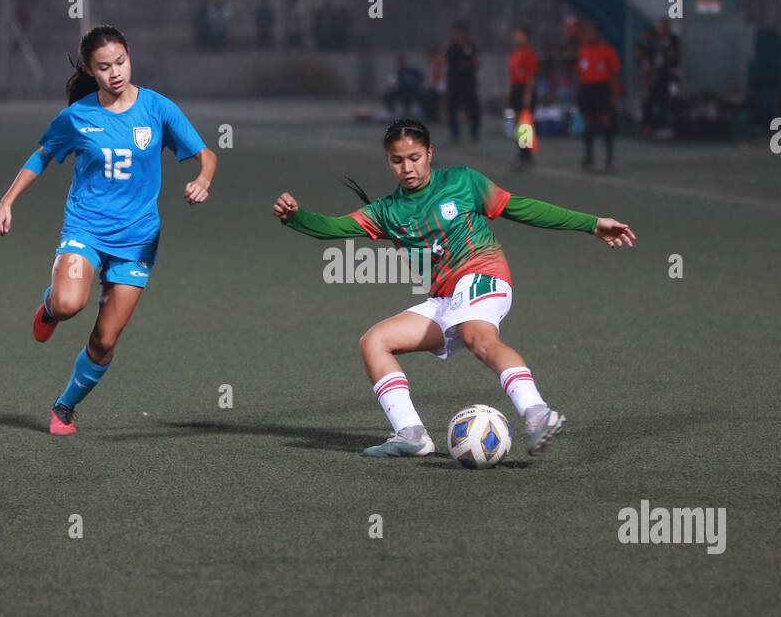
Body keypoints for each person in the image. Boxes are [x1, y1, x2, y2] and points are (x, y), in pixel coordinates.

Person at [272, 118, 636, 458]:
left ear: (430, 153)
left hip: (484, 277)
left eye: (414, 157)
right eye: (397, 161)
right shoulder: (387, 211)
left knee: (478, 336)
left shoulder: (463, 181)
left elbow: (521, 207)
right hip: (447, 298)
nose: (407, 168)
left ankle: (537, 412)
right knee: (375, 342)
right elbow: (333, 228)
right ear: (388, 162)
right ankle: (411, 435)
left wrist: (591, 224)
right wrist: (296, 218)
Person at [0, 25, 218, 434]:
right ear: (90, 71)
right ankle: (50, 306)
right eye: (104, 67)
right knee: (68, 304)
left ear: (130, 55)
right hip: (87, 229)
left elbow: (206, 155)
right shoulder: (78, 117)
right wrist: (7, 202)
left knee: (104, 341)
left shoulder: (157, 108)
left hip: (138, 240)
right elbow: (41, 157)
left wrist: (203, 179)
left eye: (121, 62)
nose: (115, 72)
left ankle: (63, 408)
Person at [576, 21, 620, 169]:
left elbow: (613, 74)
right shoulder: (583, 50)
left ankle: (609, 158)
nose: (590, 36)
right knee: (588, 122)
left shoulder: (607, 50)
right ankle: (588, 157)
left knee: (605, 121)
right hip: (587, 89)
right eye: (588, 33)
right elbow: (580, 72)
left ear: (598, 34)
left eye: (593, 33)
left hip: (602, 89)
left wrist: (613, 95)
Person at [444, 21, 481, 143]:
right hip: (454, 83)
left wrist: (468, 64)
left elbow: (477, 62)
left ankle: (474, 133)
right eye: (457, 32)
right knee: (451, 109)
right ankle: (455, 134)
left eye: (462, 32)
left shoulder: (470, 46)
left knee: (473, 109)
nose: (459, 35)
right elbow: (443, 59)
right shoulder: (451, 46)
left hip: (468, 83)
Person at [507, 25, 539, 166]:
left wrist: (527, 94)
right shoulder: (514, 53)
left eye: (520, 34)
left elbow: (531, 75)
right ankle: (522, 152)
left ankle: (526, 154)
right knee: (519, 124)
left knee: (525, 124)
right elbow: (512, 76)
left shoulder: (529, 54)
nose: (517, 37)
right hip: (516, 89)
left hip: (525, 89)